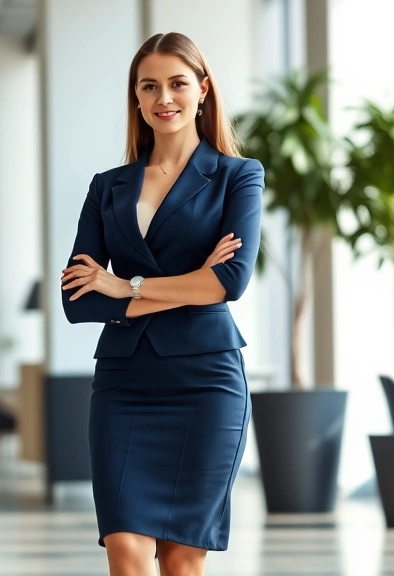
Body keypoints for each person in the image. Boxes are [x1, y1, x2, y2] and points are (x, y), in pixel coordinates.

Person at [59, 32, 263, 576]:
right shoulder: (108, 187)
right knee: (125, 549)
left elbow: (230, 283)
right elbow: (77, 300)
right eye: (149, 86)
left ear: (202, 90)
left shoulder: (238, 177)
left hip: (205, 382)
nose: (163, 98)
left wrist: (124, 287)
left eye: (177, 83)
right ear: (137, 98)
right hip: (124, 385)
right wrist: (193, 280)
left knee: (181, 558)